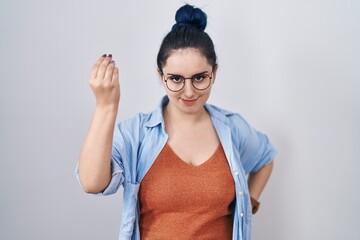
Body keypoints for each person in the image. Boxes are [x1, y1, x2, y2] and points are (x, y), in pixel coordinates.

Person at [76, 4, 276, 240]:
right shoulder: (137, 133)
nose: (189, 92)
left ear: (215, 73)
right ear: (161, 76)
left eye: (200, 78)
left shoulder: (232, 128)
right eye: (176, 79)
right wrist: (106, 106)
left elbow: (265, 157)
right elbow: (91, 183)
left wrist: (248, 203)